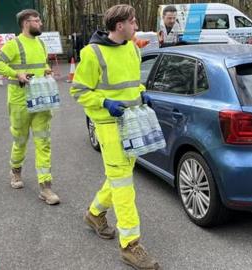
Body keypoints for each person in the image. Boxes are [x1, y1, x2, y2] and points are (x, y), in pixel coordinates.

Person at [70, 4, 159, 270]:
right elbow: (79, 90)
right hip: (109, 125)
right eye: (133, 22)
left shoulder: (132, 48)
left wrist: (142, 92)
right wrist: (105, 101)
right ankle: (130, 245)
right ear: (120, 25)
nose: (136, 25)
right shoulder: (92, 53)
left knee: (119, 176)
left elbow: (132, 82)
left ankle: (95, 214)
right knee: (123, 183)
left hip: (132, 121)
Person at [0, 9, 59, 205]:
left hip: (41, 101)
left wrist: (46, 70)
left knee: (43, 142)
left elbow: (41, 64)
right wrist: (15, 73)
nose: (41, 24)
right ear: (26, 23)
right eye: (37, 21)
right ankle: (16, 172)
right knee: (20, 140)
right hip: (20, 101)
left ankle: (46, 187)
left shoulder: (41, 44)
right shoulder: (14, 45)